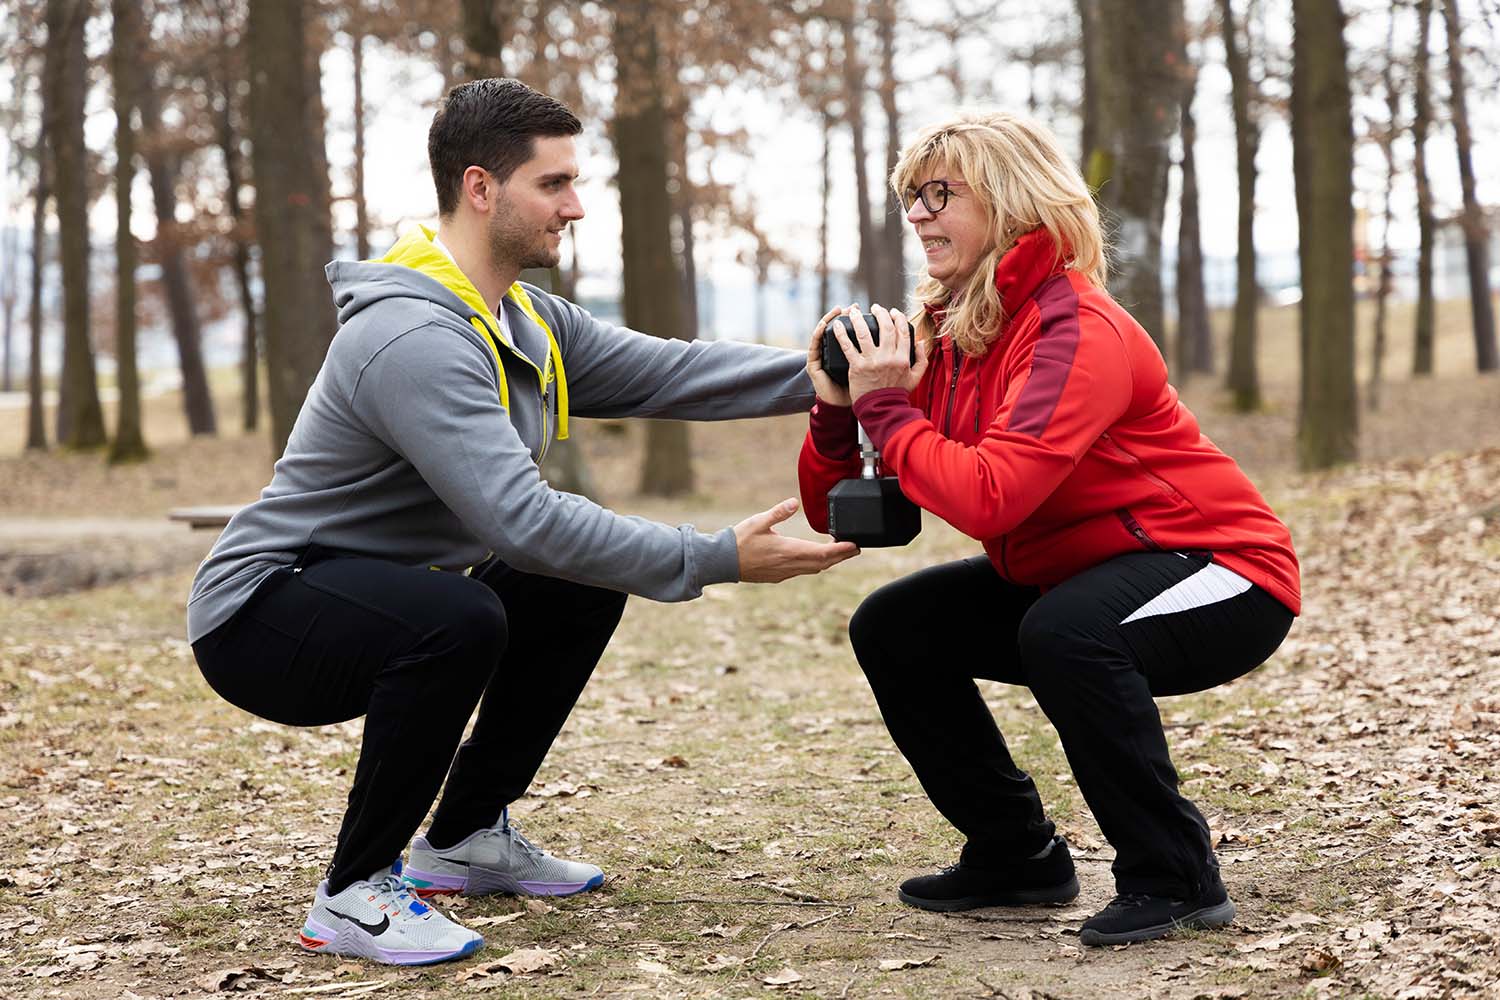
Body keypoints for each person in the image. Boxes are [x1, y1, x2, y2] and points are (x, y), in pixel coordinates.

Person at [187, 78, 856, 966]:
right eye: (554, 185)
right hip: (262, 616)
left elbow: (672, 374)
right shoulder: (415, 340)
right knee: (463, 617)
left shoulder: (526, 318)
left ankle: (461, 840)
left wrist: (825, 365)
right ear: (480, 188)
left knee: (573, 587)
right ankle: (353, 894)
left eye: (574, 183)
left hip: (371, 596)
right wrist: (715, 557)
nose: (575, 207)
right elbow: (524, 523)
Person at [797, 111, 1298, 946]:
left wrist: (888, 404)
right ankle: (1017, 854)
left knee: (1063, 632)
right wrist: (837, 407)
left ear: (1010, 200)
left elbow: (993, 498)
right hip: (1076, 574)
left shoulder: (1074, 327)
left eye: (939, 194)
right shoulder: (954, 335)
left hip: (1221, 571)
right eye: (910, 199)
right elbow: (851, 515)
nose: (917, 215)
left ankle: (1175, 874)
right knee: (896, 626)